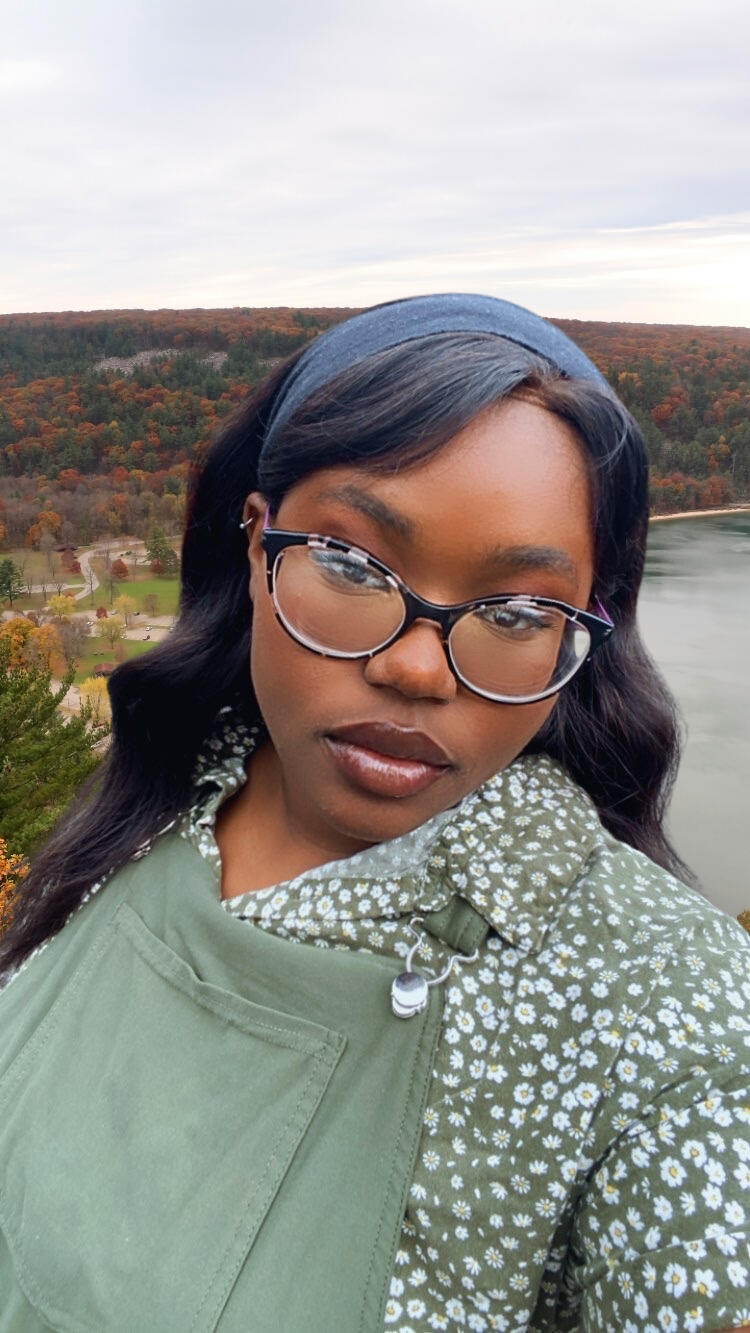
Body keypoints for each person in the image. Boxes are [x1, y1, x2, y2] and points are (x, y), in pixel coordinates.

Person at [0, 294, 748, 1333]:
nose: (415, 668)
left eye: (517, 611)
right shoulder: (156, 799)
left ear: (581, 635)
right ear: (256, 543)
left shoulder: (663, 1002)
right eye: (351, 564)